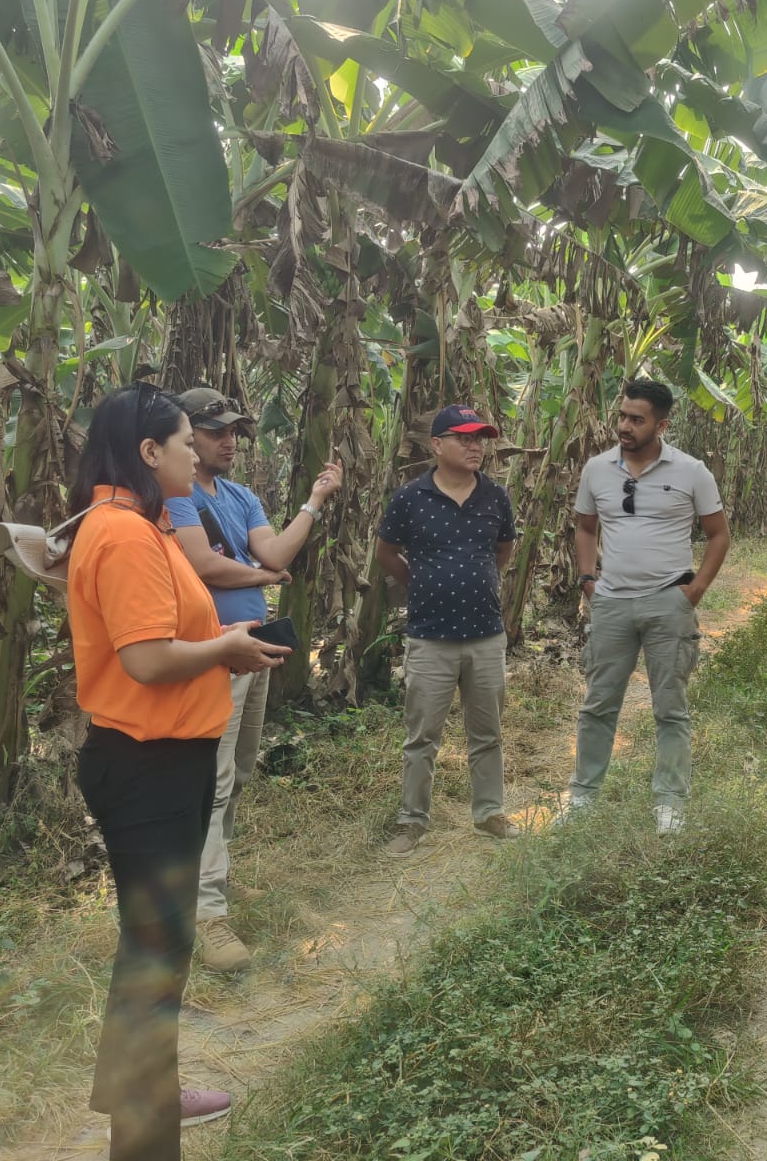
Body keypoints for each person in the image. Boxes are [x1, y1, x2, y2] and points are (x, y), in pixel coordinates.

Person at [66, 384, 289, 1160]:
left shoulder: (139, 526)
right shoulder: (124, 535)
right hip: (148, 765)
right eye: (188, 442)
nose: (199, 454)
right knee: (155, 948)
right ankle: (144, 1132)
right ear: (150, 451)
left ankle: (148, 1089)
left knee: (157, 943)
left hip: (163, 760)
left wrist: (231, 637)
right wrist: (226, 650)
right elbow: (146, 658)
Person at [166, 387, 342, 972]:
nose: (230, 441)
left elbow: (276, 550)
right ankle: (206, 912)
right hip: (215, 648)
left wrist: (314, 502)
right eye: (216, 431)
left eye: (235, 431)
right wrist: (264, 574)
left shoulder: (240, 496)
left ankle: (211, 882)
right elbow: (200, 563)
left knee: (239, 770)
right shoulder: (176, 495)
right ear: (185, 435)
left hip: (255, 645)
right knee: (211, 780)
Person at [567, 379, 729, 834]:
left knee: (670, 708)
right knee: (598, 704)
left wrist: (694, 591)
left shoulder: (692, 471)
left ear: (662, 425)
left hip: (668, 603)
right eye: (622, 416)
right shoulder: (597, 469)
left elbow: (719, 534)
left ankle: (670, 803)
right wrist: (587, 581)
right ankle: (583, 797)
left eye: (637, 419)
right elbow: (585, 526)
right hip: (612, 604)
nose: (625, 426)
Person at [375, 404, 521, 856]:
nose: (476, 446)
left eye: (480, 438)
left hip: (485, 634)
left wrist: (475, 580)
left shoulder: (495, 497)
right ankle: (412, 821)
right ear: (437, 445)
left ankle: (489, 812)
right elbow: (387, 552)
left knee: (488, 732)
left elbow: (504, 550)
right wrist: (421, 583)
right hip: (430, 636)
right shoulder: (410, 498)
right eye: (465, 438)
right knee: (422, 737)